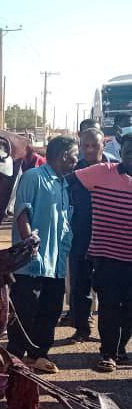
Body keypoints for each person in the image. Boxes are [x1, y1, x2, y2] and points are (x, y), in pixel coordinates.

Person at [7, 136, 78, 374]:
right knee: (25, 310)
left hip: (55, 263)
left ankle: (39, 355)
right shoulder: (34, 177)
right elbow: (22, 211)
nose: (77, 160)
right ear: (63, 155)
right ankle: (14, 356)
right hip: (32, 263)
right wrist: (29, 240)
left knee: (51, 310)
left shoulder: (62, 184)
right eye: (74, 155)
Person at [73, 135, 132, 372]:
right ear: (122, 153)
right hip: (107, 257)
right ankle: (108, 352)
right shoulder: (101, 172)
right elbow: (66, 182)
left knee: (130, 309)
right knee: (109, 305)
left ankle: (120, 347)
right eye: (128, 152)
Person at [65, 127, 114, 342]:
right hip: (80, 237)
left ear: (103, 145)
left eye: (95, 145)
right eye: (85, 146)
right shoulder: (74, 169)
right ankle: (82, 328)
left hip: (109, 238)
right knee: (79, 286)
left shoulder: (116, 167)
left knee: (108, 288)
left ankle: (109, 335)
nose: (90, 150)